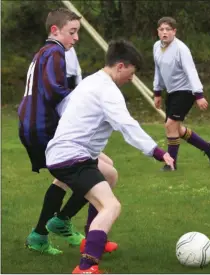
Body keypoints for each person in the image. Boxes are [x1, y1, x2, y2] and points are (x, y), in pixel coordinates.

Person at [45, 38, 174, 274]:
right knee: (111, 206)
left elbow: (66, 110)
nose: (131, 79)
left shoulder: (90, 81)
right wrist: (156, 151)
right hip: (72, 157)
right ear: (121, 66)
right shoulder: (108, 91)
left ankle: (95, 241)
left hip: (63, 152)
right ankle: (86, 266)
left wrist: (91, 149)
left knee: (110, 174)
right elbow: (127, 125)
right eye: (132, 73)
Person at [18, 7, 118, 256]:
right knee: (107, 173)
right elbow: (56, 93)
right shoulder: (55, 51)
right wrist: (87, 103)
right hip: (43, 127)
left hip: (34, 125)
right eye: (72, 32)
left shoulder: (45, 51)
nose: (76, 38)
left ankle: (42, 234)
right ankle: (61, 222)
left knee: (80, 172)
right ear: (55, 30)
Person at [153, 17, 210, 171]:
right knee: (177, 129)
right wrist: (157, 92)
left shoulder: (181, 49)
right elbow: (158, 70)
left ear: (174, 31)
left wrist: (199, 95)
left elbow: (191, 71)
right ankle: (208, 147)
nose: (164, 32)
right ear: (158, 32)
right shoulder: (156, 46)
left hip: (186, 91)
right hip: (172, 92)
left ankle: (171, 163)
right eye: (162, 29)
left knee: (170, 125)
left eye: (168, 29)